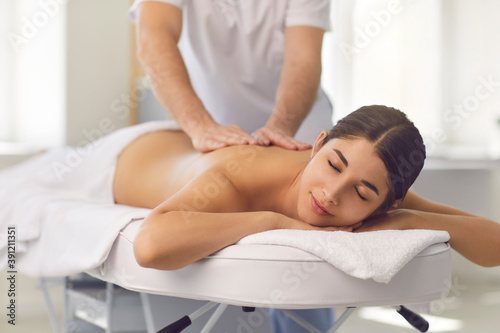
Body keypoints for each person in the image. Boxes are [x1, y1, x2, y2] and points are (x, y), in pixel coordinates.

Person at [112, 106, 500, 271]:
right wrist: (270, 222)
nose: (333, 193)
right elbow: (149, 247)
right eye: (332, 164)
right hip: (120, 156)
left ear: (385, 204)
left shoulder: (379, 195)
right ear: (316, 146)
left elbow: (494, 245)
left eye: (362, 195)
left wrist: (408, 219)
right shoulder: (238, 176)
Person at [129, 0, 333, 152]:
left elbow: (302, 60)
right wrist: (200, 126)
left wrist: (280, 128)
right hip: (209, 120)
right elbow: (153, 39)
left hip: (298, 120)